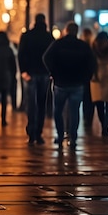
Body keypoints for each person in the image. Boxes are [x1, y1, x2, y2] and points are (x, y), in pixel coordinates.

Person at [43, 22, 96, 150]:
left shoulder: (58, 44)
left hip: (60, 83)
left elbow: (46, 57)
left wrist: (53, 72)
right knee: (74, 112)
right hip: (77, 83)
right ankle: (73, 137)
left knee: (58, 111)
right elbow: (92, 63)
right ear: (77, 32)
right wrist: (85, 77)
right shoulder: (83, 46)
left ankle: (61, 135)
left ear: (66, 31)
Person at [18, 13, 54, 145]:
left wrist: (23, 71)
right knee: (41, 103)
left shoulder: (27, 36)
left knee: (31, 104)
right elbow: (52, 56)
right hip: (44, 73)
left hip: (31, 73)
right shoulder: (48, 36)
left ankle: (31, 131)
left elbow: (21, 54)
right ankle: (39, 132)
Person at [90, 31, 108, 137]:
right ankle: (106, 127)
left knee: (99, 103)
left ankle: (102, 124)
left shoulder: (93, 47)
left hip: (96, 75)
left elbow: (90, 61)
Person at [79, 27, 95, 130]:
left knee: (84, 98)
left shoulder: (80, 46)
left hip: (81, 76)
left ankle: (85, 118)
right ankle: (89, 119)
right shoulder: (93, 47)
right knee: (91, 98)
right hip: (91, 76)